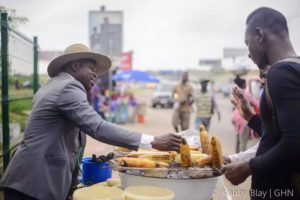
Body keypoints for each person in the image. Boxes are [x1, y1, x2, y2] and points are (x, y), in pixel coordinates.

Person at [0, 43, 182, 200]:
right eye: (92, 70)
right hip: (34, 184)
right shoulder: (67, 87)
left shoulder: (56, 86)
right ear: (75, 65)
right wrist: (152, 142)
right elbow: (97, 127)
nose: (96, 76)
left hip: (30, 183)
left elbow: (74, 139)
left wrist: (73, 185)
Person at [223, 7, 300, 200]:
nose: (249, 52)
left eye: (247, 43)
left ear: (259, 34)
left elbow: (295, 142)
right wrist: (251, 117)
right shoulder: (294, 69)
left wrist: (248, 167)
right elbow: (277, 134)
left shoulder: (280, 73)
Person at [231, 78, 259, 153]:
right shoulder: (246, 94)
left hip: (235, 118)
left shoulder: (235, 93)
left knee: (238, 139)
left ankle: (234, 158)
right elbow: (256, 104)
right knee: (243, 143)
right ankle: (239, 160)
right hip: (243, 119)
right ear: (243, 84)